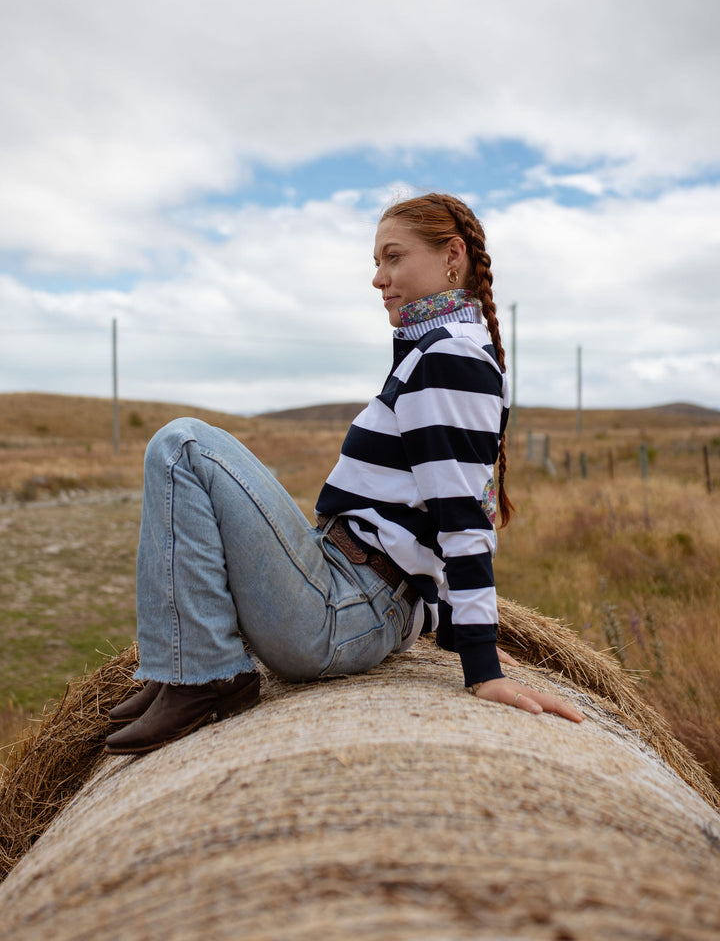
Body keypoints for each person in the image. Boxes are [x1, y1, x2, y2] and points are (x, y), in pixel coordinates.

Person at [105, 193, 583, 754]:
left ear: (452, 255)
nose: (379, 278)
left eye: (393, 257)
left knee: (183, 445)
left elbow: (464, 514)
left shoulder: (449, 359)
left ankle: (206, 676)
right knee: (187, 454)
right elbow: (448, 499)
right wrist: (452, 632)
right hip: (351, 592)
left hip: (346, 607)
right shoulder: (439, 351)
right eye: (376, 263)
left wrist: (481, 662)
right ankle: (180, 667)